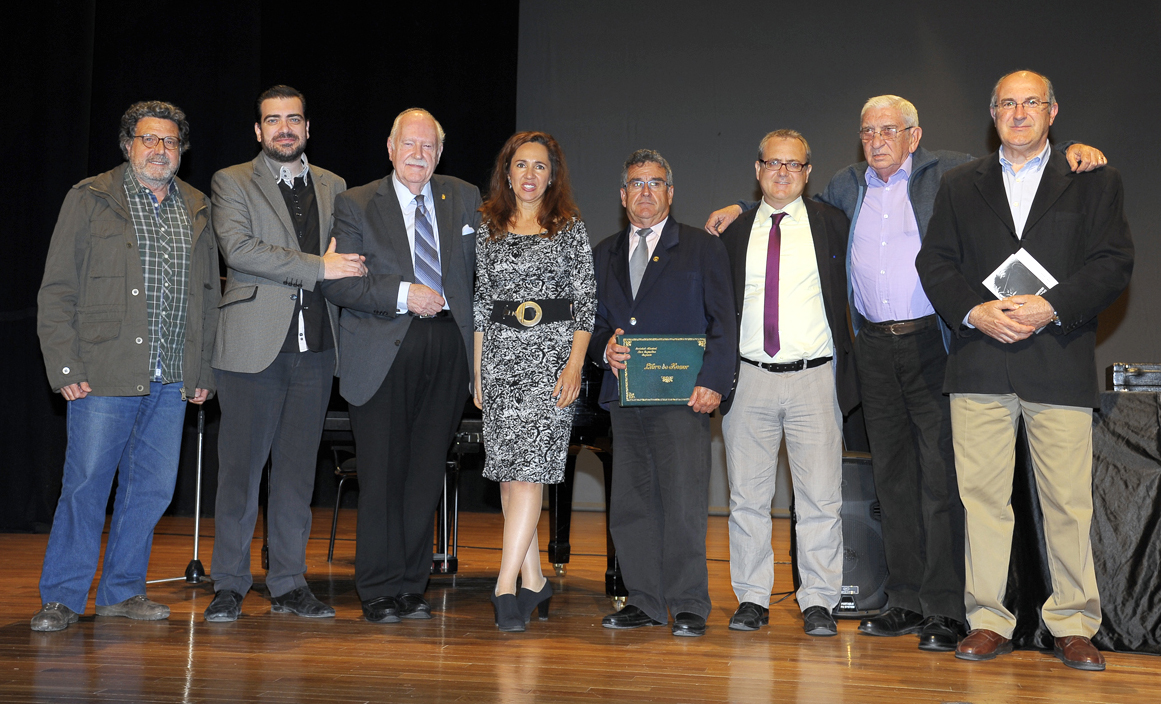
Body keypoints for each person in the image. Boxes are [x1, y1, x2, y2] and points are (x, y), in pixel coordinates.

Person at [704, 97, 1106, 651]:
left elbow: (1015, 156)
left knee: (941, 480)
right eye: (868, 131)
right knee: (891, 478)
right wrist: (739, 207)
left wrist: (1071, 152)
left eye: (890, 130)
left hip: (931, 341)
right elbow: (787, 200)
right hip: (872, 345)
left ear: (914, 137)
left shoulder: (950, 173)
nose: (878, 141)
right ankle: (905, 599)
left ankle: (943, 609)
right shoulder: (846, 187)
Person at [916, 70, 1132, 671]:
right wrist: (975, 312)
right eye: (1007, 104)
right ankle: (988, 620)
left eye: (1030, 102)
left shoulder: (1093, 179)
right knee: (982, 501)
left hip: (1058, 359)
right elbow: (935, 262)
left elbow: (1112, 263)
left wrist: (1051, 306)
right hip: (980, 362)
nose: (1018, 113)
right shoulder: (960, 184)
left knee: (1068, 503)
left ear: (1052, 112)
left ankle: (1073, 624)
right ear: (993, 115)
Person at [32, 101, 220, 631]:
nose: (160, 149)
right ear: (128, 145)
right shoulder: (90, 197)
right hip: (104, 371)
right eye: (149, 139)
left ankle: (122, 592)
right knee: (86, 487)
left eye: (170, 141)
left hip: (172, 378)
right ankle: (62, 597)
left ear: (182, 150)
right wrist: (64, 365)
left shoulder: (197, 206)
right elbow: (57, 289)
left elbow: (209, 298)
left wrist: (204, 370)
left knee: (152, 491)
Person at [204, 85, 365, 622]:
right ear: (258, 131)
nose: (284, 128)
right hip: (252, 346)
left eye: (293, 119)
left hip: (316, 347)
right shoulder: (232, 180)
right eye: (273, 120)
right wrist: (319, 266)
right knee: (240, 474)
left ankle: (290, 583)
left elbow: (348, 261)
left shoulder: (335, 185)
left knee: (297, 476)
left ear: (308, 127)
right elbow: (239, 250)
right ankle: (229, 583)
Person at [321, 109, 481, 623]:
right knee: (383, 475)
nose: (418, 154)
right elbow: (340, 283)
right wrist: (402, 294)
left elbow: (490, 269)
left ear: (440, 153)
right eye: (408, 144)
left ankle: (412, 586)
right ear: (390, 149)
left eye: (428, 146)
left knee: (425, 475)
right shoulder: (356, 202)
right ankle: (377, 588)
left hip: (448, 352)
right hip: (381, 353)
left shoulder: (464, 197)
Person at [591, 150, 735, 637]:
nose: (645, 191)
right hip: (626, 395)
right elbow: (592, 324)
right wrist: (603, 348)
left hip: (684, 399)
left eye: (655, 183)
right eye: (636, 183)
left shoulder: (701, 247)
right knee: (631, 503)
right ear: (622, 195)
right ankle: (645, 601)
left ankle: (689, 602)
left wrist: (714, 381)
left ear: (670, 193)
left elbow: (723, 322)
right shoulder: (604, 252)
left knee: (683, 501)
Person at [717, 130, 855, 637]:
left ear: (807, 172)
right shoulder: (733, 232)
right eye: (773, 163)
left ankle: (818, 600)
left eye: (793, 164)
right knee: (747, 499)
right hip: (749, 379)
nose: (782, 172)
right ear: (757, 170)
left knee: (821, 499)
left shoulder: (833, 224)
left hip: (814, 378)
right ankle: (752, 598)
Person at [471, 132, 595, 632]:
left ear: (552, 175)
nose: (529, 174)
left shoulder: (569, 227)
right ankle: (536, 580)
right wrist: (478, 372)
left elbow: (586, 303)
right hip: (501, 360)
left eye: (540, 166)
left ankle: (505, 587)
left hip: (551, 363)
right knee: (508, 476)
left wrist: (574, 365)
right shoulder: (489, 227)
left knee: (528, 474)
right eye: (521, 165)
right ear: (507, 172)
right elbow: (482, 304)